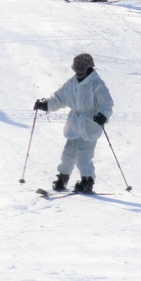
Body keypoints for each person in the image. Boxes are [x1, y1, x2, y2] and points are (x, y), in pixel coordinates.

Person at [33, 53, 114, 194]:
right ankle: (63, 177)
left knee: (84, 154)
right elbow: (60, 97)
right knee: (68, 153)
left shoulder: (96, 84)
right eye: (76, 68)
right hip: (74, 123)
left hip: (90, 124)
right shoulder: (72, 83)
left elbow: (107, 104)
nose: (78, 71)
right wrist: (46, 105)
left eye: (81, 67)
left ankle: (87, 180)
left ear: (89, 67)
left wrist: (102, 115)